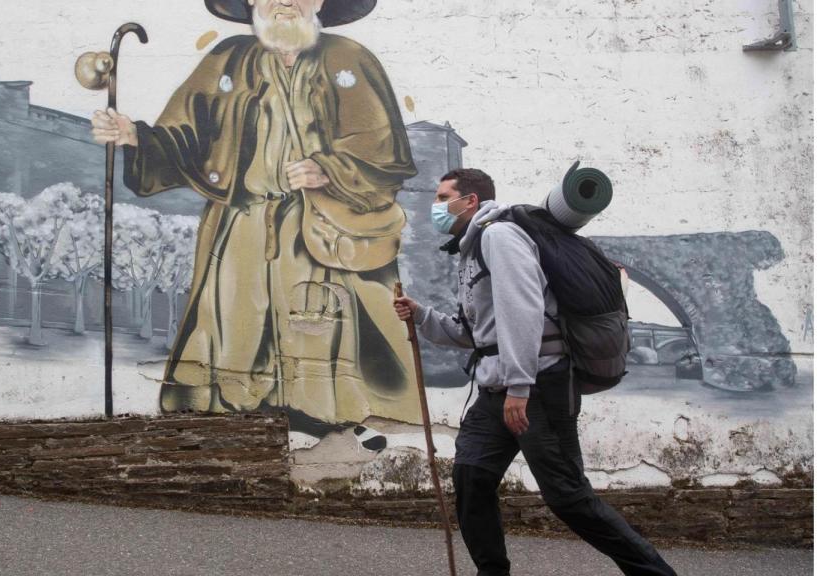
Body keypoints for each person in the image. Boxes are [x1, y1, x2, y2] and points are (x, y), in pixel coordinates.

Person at [91, 0, 422, 431]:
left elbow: (385, 153)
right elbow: (186, 137)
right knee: (233, 325)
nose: (284, 2)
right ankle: (232, 428)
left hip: (324, 227)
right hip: (240, 226)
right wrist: (135, 136)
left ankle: (333, 426)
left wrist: (330, 170)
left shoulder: (351, 60)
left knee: (320, 330)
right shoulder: (226, 59)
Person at [394, 168, 677, 576]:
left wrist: (520, 387)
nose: (435, 206)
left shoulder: (499, 237)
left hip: (537, 387)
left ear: (470, 201)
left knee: (568, 498)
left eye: (442, 197)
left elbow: (523, 312)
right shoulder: (471, 248)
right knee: (472, 478)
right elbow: (476, 334)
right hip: (497, 388)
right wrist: (421, 316)